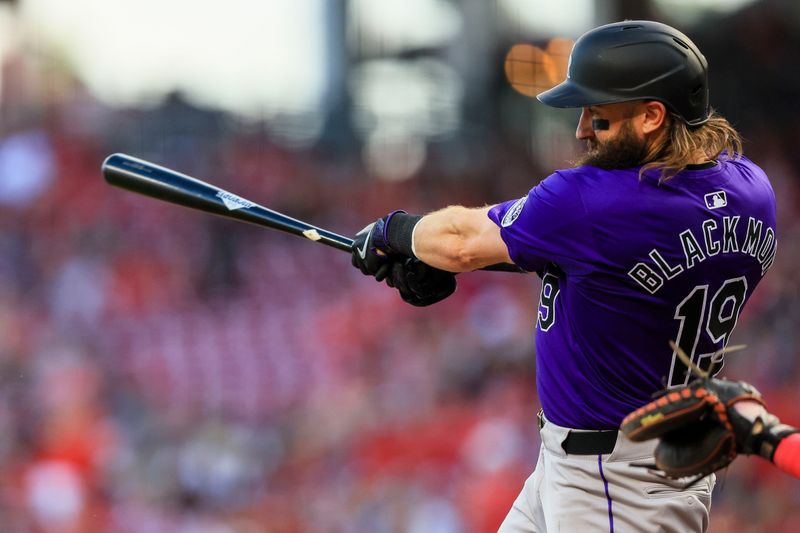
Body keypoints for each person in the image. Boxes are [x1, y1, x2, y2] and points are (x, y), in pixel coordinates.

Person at [351, 20, 777, 532]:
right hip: (628, 465)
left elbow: (461, 240)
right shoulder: (754, 191)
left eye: (598, 116)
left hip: (614, 485)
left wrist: (393, 232)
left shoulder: (591, 200)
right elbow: (603, 261)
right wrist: (459, 256)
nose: (581, 130)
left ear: (651, 116)